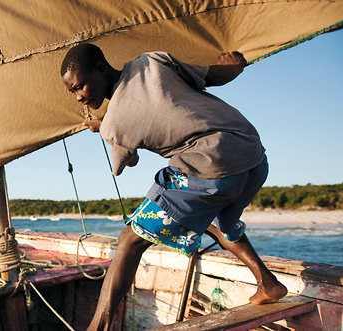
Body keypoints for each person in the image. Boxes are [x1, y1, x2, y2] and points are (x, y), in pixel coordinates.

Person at [60, 43, 288, 331]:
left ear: (101, 70)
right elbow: (214, 76)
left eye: (80, 87)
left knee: (129, 240)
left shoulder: (114, 126)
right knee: (219, 222)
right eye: (74, 93)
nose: (80, 97)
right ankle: (267, 283)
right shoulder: (151, 61)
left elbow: (125, 163)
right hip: (252, 157)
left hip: (210, 170)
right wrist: (236, 64)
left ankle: (97, 328)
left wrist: (106, 130)